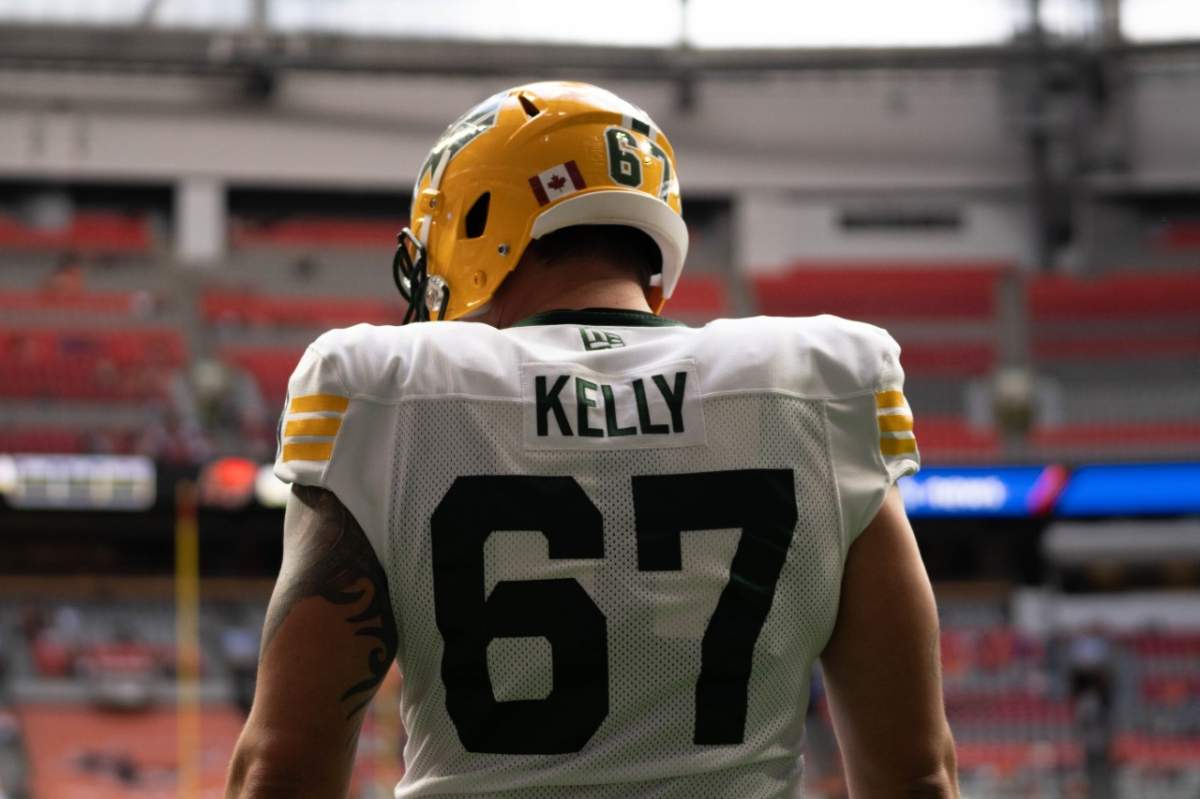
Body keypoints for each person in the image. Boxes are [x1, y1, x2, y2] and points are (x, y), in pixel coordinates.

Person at [226, 81, 958, 799]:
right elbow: (915, 777)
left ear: (479, 225)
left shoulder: (386, 391)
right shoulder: (818, 386)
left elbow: (282, 774)